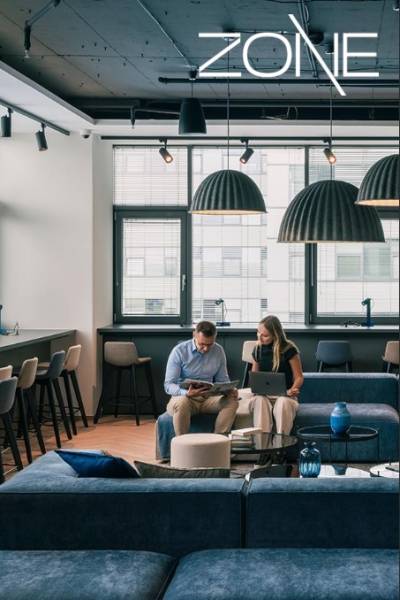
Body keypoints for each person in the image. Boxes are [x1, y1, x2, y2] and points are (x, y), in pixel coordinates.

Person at [164, 321, 239, 436]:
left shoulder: (218, 351)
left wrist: (229, 389)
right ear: (194, 335)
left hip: (208, 399)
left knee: (232, 401)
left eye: (210, 344)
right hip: (185, 398)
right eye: (202, 344)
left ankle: (217, 441)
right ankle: (182, 444)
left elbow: (223, 379)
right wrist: (186, 393)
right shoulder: (179, 351)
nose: (206, 349)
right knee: (182, 402)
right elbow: (168, 385)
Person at [239, 315, 304, 435]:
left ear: (276, 334)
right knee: (259, 401)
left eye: (265, 335)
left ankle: (280, 445)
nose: (260, 337)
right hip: (263, 395)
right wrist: (256, 389)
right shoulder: (257, 349)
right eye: (258, 333)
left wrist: (293, 389)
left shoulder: (289, 349)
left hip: (285, 395)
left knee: (283, 403)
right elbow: (254, 376)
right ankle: (263, 446)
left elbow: (299, 377)